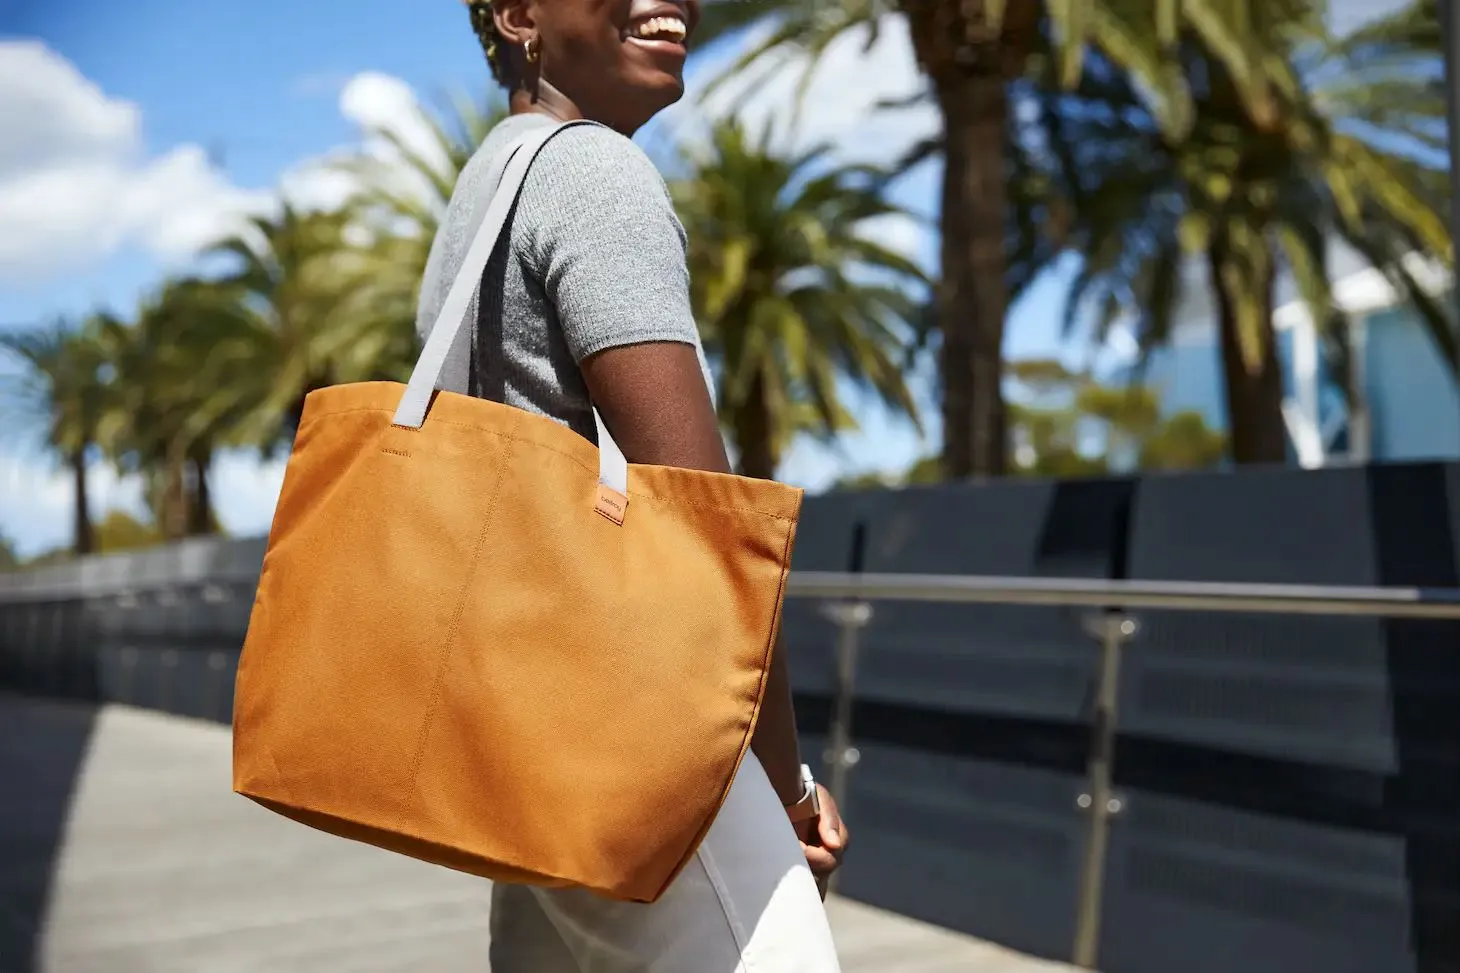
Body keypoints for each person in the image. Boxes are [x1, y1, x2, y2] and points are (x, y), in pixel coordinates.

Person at [413, 0, 851, 969]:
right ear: (520, 14)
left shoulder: (481, 189)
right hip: (623, 745)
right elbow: (709, 529)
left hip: (513, 744)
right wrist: (783, 791)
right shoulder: (591, 172)